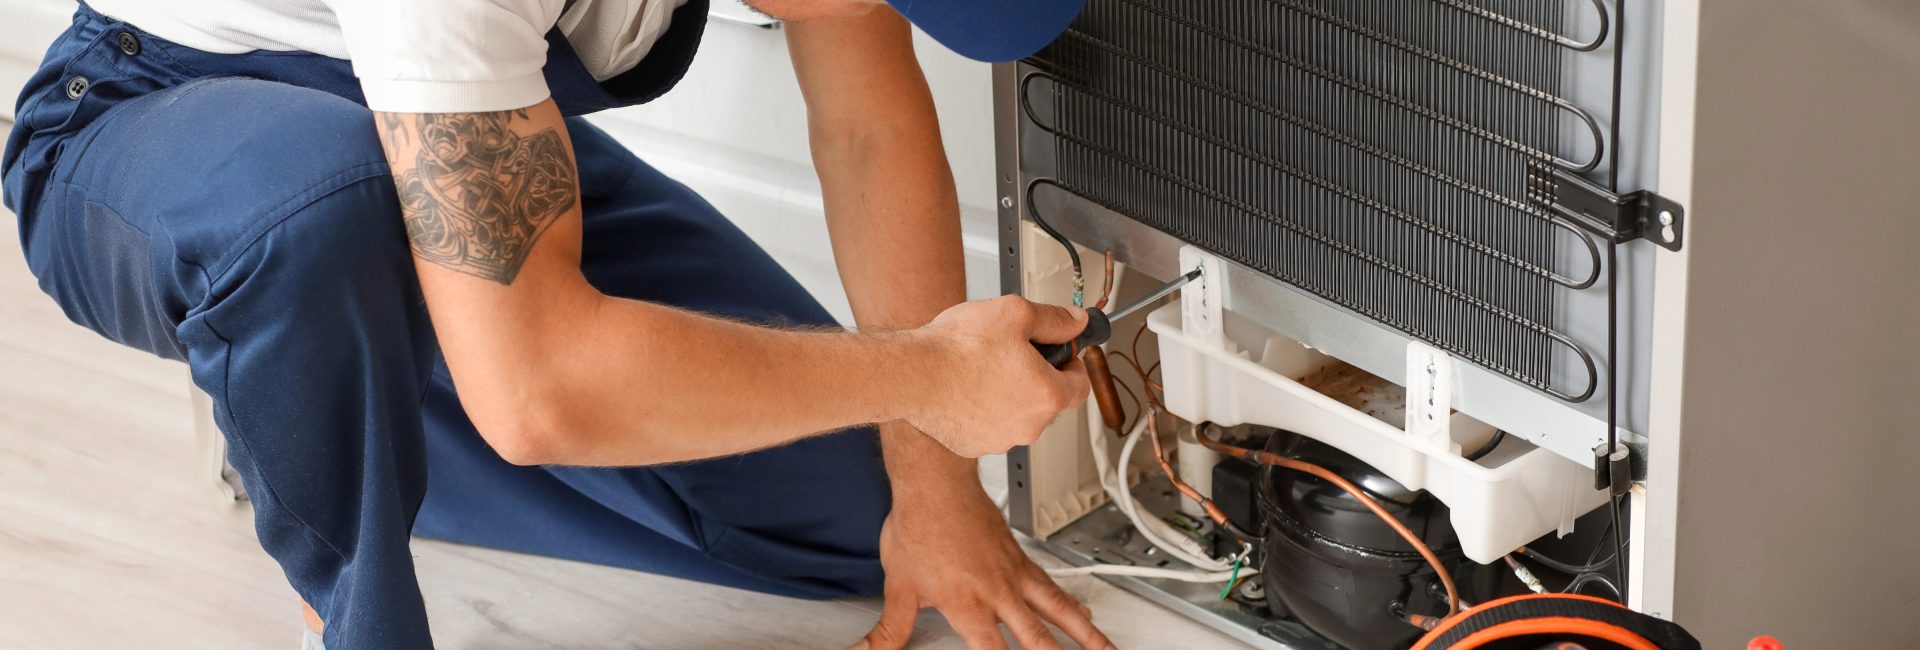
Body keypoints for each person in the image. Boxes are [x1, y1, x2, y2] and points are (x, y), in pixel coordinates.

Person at [1, 0, 1110, 648]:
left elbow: (868, 127)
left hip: (450, 136)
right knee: (323, 212)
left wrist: (936, 488)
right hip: (163, 123)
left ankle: (349, 377)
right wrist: (925, 374)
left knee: (848, 505)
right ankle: (296, 400)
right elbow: (540, 397)